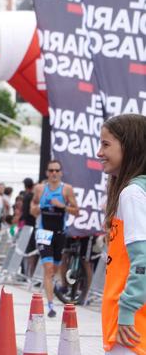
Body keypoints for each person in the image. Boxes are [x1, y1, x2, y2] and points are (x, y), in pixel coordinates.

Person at [100, 114, 146, 354]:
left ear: (129, 146)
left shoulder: (133, 194)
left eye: (106, 144)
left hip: (131, 329)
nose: (99, 152)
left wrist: (127, 311)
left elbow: (143, 260)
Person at [30, 160, 79, 318]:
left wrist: (62, 206)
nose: (54, 173)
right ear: (47, 173)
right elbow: (32, 210)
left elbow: (76, 211)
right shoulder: (39, 189)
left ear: (61, 173)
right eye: (51, 170)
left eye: (57, 170)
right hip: (44, 232)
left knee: (55, 270)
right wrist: (39, 208)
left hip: (59, 233)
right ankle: (50, 305)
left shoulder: (66, 189)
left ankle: (53, 285)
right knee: (49, 268)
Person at [20, 177, 38, 277]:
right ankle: (31, 274)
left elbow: (25, 212)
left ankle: (30, 274)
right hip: (34, 226)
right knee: (33, 251)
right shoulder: (32, 196)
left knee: (30, 251)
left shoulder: (28, 196)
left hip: (30, 227)